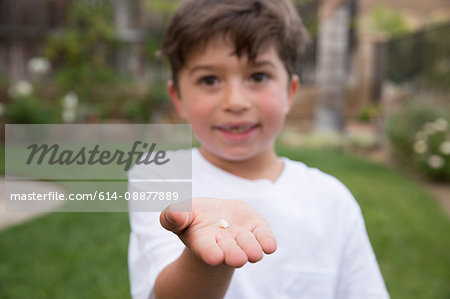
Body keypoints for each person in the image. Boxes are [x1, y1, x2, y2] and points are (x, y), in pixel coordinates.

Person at [128, 0, 390, 298]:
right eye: (209, 79)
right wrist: (208, 260)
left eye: (258, 76)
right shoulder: (162, 177)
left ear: (289, 92)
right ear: (178, 98)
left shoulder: (333, 201)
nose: (235, 101)